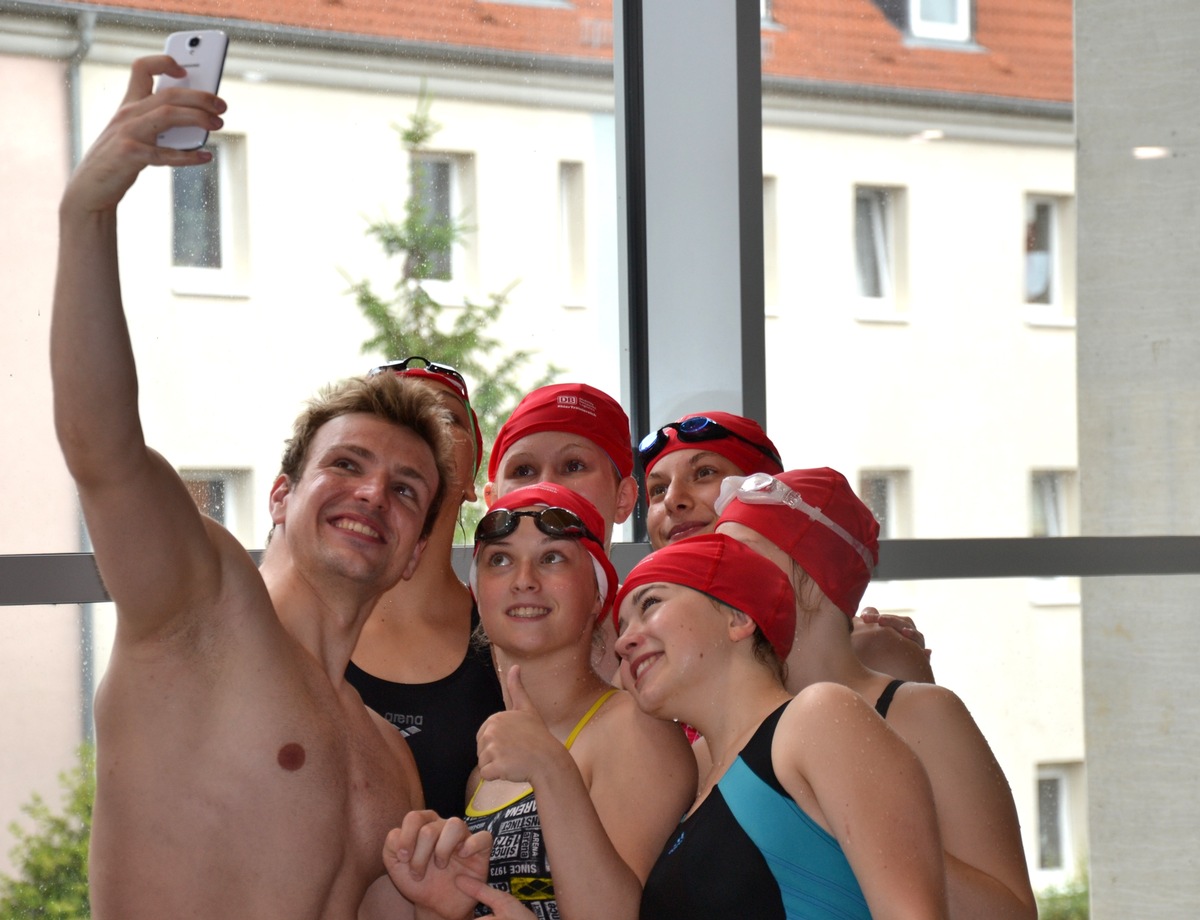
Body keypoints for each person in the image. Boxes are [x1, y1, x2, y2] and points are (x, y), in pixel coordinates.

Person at [55, 56, 457, 919]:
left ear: (416, 550)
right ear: (280, 497)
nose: (371, 496)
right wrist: (86, 215)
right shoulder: (199, 608)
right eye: (345, 466)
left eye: (406, 489)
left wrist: (434, 905)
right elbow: (105, 449)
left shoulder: (389, 756)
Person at [714, 468, 1037, 919]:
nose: (716, 577)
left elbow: (1009, 913)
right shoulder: (726, 728)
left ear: (816, 571)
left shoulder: (919, 713)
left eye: (741, 555)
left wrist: (864, 820)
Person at [384, 483, 695, 920]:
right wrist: (437, 907)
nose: (524, 580)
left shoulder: (636, 727)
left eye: (551, 558)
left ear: (598, 595)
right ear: (480, 595)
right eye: (500, 560)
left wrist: (550, 768)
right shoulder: (486, 773)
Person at [613, 534, 948, 920]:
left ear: (738, 617)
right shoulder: (694, 781)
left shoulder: (818, 718)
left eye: (650, 604)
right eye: (620, 627)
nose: (624, 641)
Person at [639, 411, 933, 682]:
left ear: (758, 495)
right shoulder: (637, 652)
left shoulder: (865, 653)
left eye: (704, 472)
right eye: (658, 489)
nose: (672, 500)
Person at [348, 357, 505, 819]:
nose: (423, 427)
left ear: (473, 481)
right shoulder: (300, 626)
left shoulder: (506, 638)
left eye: (447, 416)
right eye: (396, 416)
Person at [485, 383, 640, 680]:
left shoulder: (662, 635)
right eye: (523, 471)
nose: (547, 486)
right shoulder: (452, 636)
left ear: (623, 499)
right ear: (492, 500)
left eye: (573, 465)